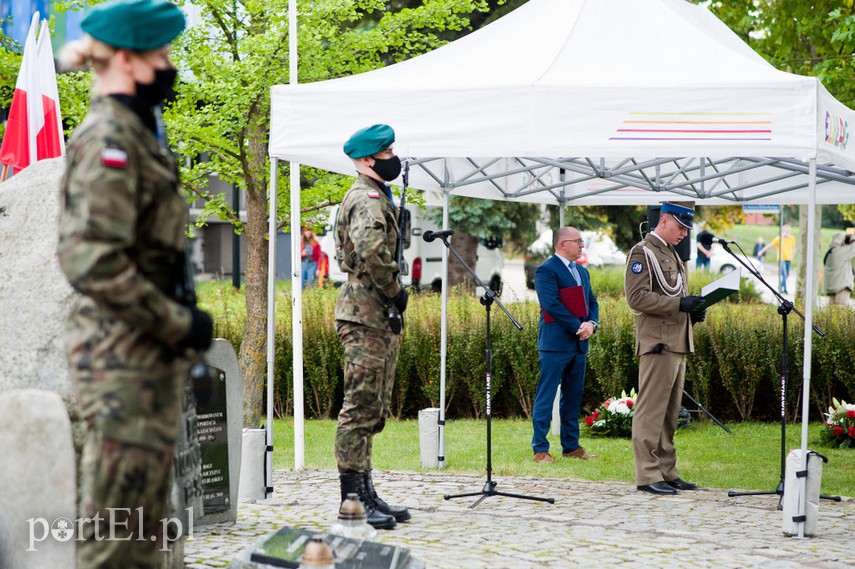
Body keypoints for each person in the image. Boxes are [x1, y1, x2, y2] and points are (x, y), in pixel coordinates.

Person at [56, 1, 213, 566]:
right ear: (126, 59)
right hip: (121, 362)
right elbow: (90, 259)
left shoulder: (135, 132)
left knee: (143, 534)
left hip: (142, 361)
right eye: (161, 54)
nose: (169, 66)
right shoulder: (110, 140)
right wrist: (177, 323)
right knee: (117, 539)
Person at [333, 124, 410, 529]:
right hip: (365, 311)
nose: (393, 157)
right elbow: (371, 250)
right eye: (386, 152)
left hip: (375, 313)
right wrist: (395, 289)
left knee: (373, 408)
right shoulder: (366, 198)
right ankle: (353, 502)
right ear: (366, 159)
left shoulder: (377, 194)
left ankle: (366, 491)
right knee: (359, 408)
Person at [624, 202, 705, 495]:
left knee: (670, 413)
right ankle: (647, 474)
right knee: (651, 411)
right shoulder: (642, 252)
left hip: (676, 340)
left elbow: (674, 294)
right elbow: (636, 298)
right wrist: (678, 304)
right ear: (665, 220)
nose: (684, 233)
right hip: (658, 342)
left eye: (686, 229)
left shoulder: (671, 252)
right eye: (681, 227)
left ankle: (667, 471)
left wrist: (691, 311)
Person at [531, 227, 599, 463]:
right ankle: (540, 449)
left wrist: (591, 323)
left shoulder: (582, 272)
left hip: (578, 345)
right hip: (555, 344)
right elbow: (550, 304)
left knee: (572, 397)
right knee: (546, 395)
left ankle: (571, 446)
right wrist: (578, 326)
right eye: (577, 241)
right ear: (562, 244)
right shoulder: (546, 270)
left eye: (582, 241)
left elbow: (592, 302)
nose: (582, 245)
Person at [758, 224, 796, 294]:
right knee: (784, 274)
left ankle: (780, 286)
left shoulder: (792, 238)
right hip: (781, 259)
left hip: (789, 259)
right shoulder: (778, 239)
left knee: (787, 274)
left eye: (789, 231)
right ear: (783, 231)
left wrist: (792, 256)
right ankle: (784, 289)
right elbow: (770, 245)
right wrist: (762, 251)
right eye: (786, 231)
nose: (788, 232)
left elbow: (793, 248)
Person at [823, 232, 855, 305]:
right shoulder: (840, 252)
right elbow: (853, 249)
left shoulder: (829, 251)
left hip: (832, 286)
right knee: (841, 308)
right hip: (842, 286)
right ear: (841, 241)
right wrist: (852, 238)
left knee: (832, 308)